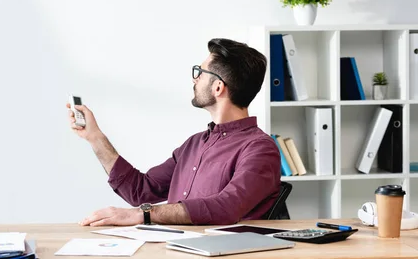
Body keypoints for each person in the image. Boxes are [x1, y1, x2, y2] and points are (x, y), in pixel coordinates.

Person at [66, 38, 281, 226]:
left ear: (217, 87)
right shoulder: (194, 145)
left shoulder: (260, 149)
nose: (195, 79)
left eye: (200, 72)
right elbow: (140, 190)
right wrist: (95, 138)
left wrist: (144, 214)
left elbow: (227, 206)